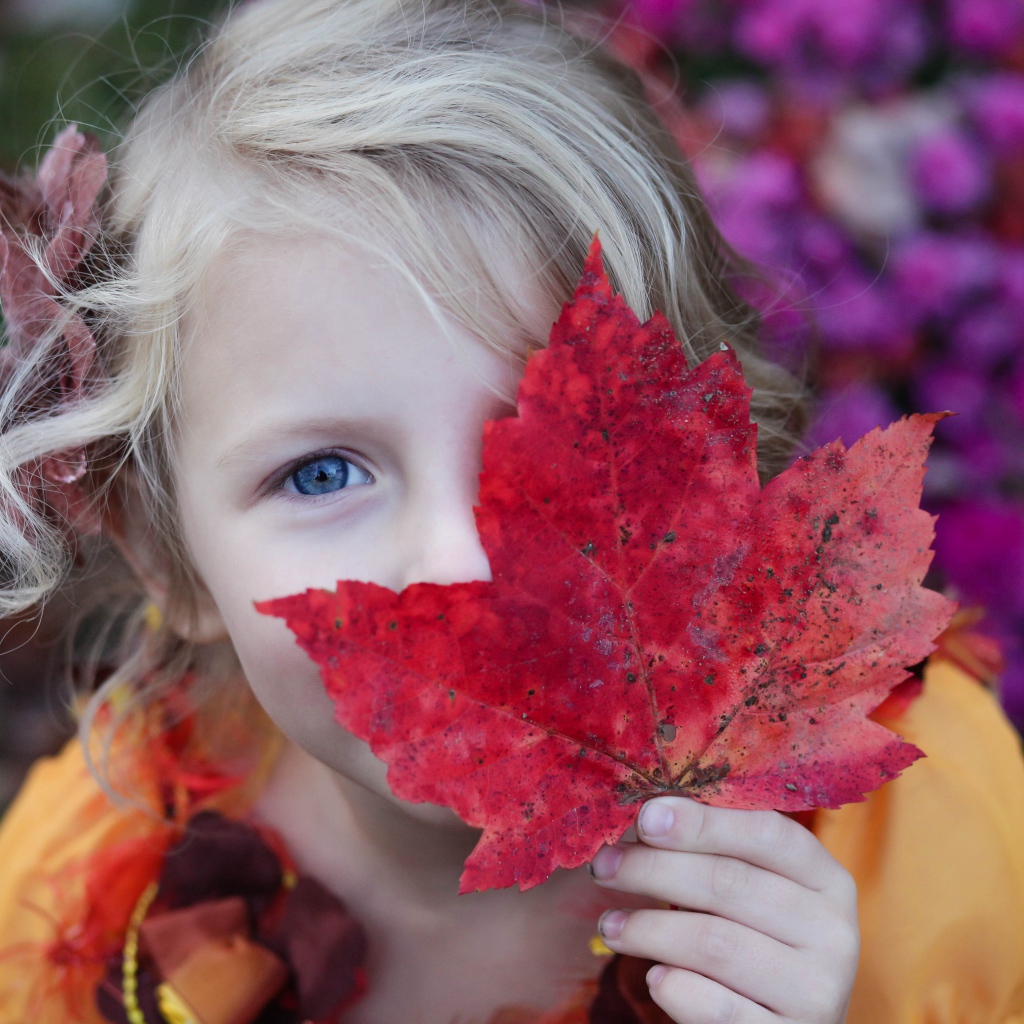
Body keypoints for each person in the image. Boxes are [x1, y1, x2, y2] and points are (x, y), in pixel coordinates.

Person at [0, 0, 1022, 1022]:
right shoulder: (80, 907)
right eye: (320, 475)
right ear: (169, 562)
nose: (461, 564)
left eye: (554, 438)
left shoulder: (925, 851)